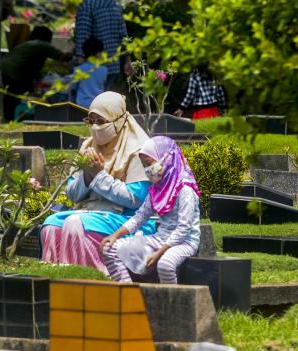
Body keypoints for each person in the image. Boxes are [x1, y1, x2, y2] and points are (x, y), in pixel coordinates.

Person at [40, 91, 154, 273]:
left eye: (101, 121)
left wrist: (100, 175)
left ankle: (91, 278)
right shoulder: (88, 146)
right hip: (90, 212)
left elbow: (135, 199)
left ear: (118, 120)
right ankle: (54, 281)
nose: (95, 127)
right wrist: (87, 175)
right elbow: (71, 193)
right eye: (90, 121)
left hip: (128, 218)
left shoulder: (137, 149)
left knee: (75, 223)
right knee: (52, 224)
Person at [100, 136, 201, 284]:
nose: (147, 170)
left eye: (149, 163)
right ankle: (127, 294)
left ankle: (171, 302)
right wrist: (115, 235)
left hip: (184, 242)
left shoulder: (185, 189)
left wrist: (160, 253)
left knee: (165, 264)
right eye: (144, 165)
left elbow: (184, 228)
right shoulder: (157, 188)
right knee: (109, 249)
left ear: (166, 158)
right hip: (160, 239)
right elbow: (140, 216)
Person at [0, 26, 66, 121]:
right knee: (14, 98)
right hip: (14, 73)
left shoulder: (26, 44)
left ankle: (8, 117)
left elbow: (33, 66)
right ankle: (12, 119)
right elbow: (62, 57)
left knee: (9, 98)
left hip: (3, 70)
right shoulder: (42, 44)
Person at [73, 0, 132, 90]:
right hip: (113, 65)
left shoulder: (87, 6)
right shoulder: (115, 5)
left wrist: (81, 65)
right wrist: (128, 60)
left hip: (92, 69)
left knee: (89, 101)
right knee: (105, 101)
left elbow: (82, 36)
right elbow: (124, 36)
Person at [70, 37, 107, 108]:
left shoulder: (78, 69)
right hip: (98, 106)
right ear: (98, 54)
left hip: (81, 105)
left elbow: (73, 88)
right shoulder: (104, 70)